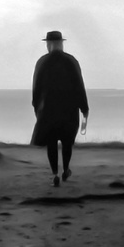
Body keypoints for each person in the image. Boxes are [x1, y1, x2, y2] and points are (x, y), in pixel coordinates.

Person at [30, 30, 89, 187]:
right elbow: (79, 85)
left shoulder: (42, 62)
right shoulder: (71, 61)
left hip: (48, 110)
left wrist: (37, 108)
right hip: (69, 110)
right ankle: (66, 169)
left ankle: (55, 173)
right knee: (67, 142)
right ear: (61, 44)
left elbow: (36, 88)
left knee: (51, 143)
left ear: (48, 45)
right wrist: (84, 107)